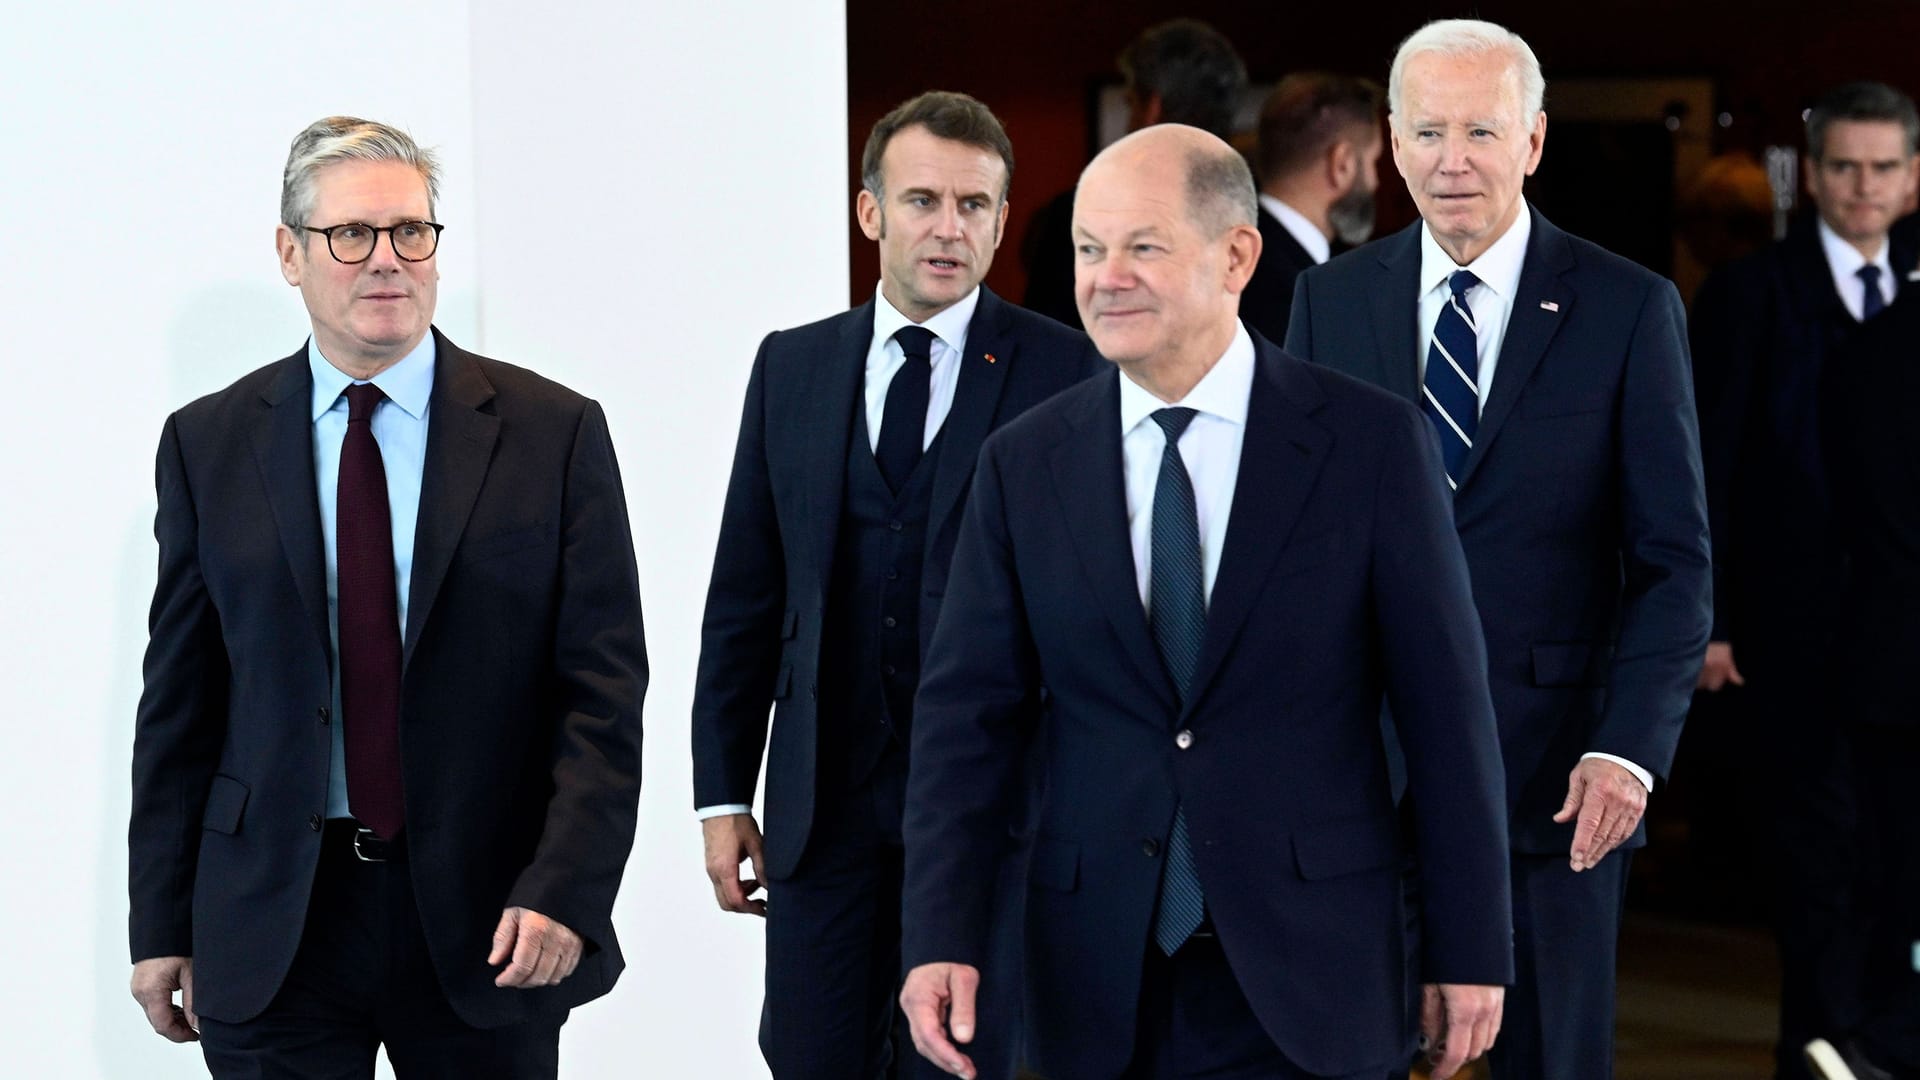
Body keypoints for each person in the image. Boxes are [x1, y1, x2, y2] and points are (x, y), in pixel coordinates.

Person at [900, 123, 1512, 1080]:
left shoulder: (1370, 444)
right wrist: (938, 932)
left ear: (1237, 256)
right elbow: (964, 722)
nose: (1107, 277)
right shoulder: (1025, 462)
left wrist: (1471, 948)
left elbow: (1448, 716)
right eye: (1089, 251)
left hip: (1313, 969)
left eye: (1143, 246)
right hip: (1094, 971)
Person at [127, 116, 647, 1077]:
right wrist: (158, 919)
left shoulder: (552, 434)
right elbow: (180, 708)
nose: (388, 260)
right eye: (351, 235)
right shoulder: (208, 445)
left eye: (412, 231)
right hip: (276, 921)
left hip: (490, 920)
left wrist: (567, 887)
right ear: (291, 254)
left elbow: (603, 699)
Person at [1285, 19, 1712, 1079]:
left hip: (1556, 786)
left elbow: (1675, 563)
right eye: (1428, 131)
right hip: (1361, 784)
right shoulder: (1328, 304)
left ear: (1533, 141)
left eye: (1483, 129)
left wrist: (1629, 752)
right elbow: (1286, 550)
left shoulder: (1628, 308)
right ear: (1389, 140)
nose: (1453, 159)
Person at [691, 90, 1101, 1080]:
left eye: (973, 205)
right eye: (923, 200)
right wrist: (720, 794)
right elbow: (747, 590)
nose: (947, 228)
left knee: (959, 1062)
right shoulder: (792, 367)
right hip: (820, 802)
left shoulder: (1068, 371)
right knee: (807, 1055)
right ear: (870, 211)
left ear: (1004, 220)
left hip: (987, 813)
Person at [1689, 80, 1920, 1080]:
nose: (1862, 188)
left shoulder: (1919, 282)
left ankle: (1873, 1050)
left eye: (1882, 168)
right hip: (1789, 639)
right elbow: (1706, 465)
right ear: (1808, 174)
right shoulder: (1749, 294)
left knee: (1895, 867)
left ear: (1913, 177)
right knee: (1815, 866)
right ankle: (1817, 1054)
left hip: (1903, 643)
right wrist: (1712, 622)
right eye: (1842, 167)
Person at [1807, 279, 1920, 1080]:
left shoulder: (1863, 353)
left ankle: (1866, 1039)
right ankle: (1879, 1046)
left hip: (1881, 662)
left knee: (1888, 875)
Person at [1020, 18, 1248, 329]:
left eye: (1130, 104)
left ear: (1151, 107)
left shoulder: (1079, 212)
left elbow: (1045, 340)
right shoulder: (1256, 217)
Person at [1239, 73, 1385, 344]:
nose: (1376, 181)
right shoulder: (1302, 303)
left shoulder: (1232, 258)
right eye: (1374, 161)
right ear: (1342, 164)